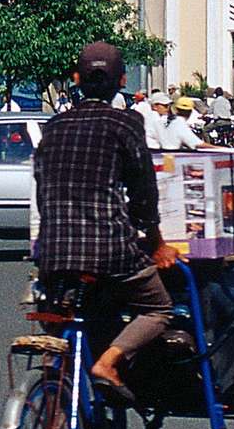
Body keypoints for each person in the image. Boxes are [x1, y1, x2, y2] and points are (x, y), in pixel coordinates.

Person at [32, 41, 177, 404]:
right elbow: (144, 191)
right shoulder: (125, 122)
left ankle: (56, 406)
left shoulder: (54, 126)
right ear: (123, 80)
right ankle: (109, 361)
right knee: (159, 307)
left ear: (76, 79)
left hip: (51, 254)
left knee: (60, 318)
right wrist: (157, 243)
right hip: (109, 251)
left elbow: (41, 189)